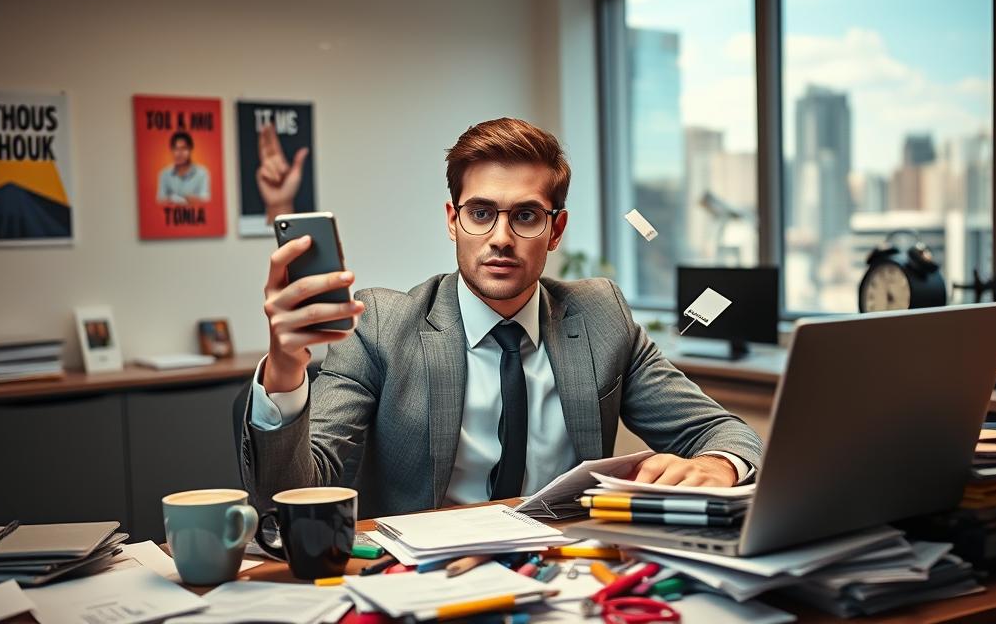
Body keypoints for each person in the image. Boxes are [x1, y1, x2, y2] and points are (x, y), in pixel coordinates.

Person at [241, 118, 763, 518]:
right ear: (454, 221)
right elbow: (294, 493)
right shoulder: (383, 325)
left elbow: (724, 432)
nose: (500, 237)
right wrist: (286, 368)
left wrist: (717, 465)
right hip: (429, 585)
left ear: (556, 231)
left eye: (527, 216)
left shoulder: (601, 316)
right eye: (481, 212)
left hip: (569, 575)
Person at [156, 131, 210, 205]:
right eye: (176, 149)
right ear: (171, 150)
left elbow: (205, 200)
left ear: (191, 150)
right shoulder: (164, 174)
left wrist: (190, 199)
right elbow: (160, 201)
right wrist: (174, 199)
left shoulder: (202, 173)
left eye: (184, 148)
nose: (179, 153)